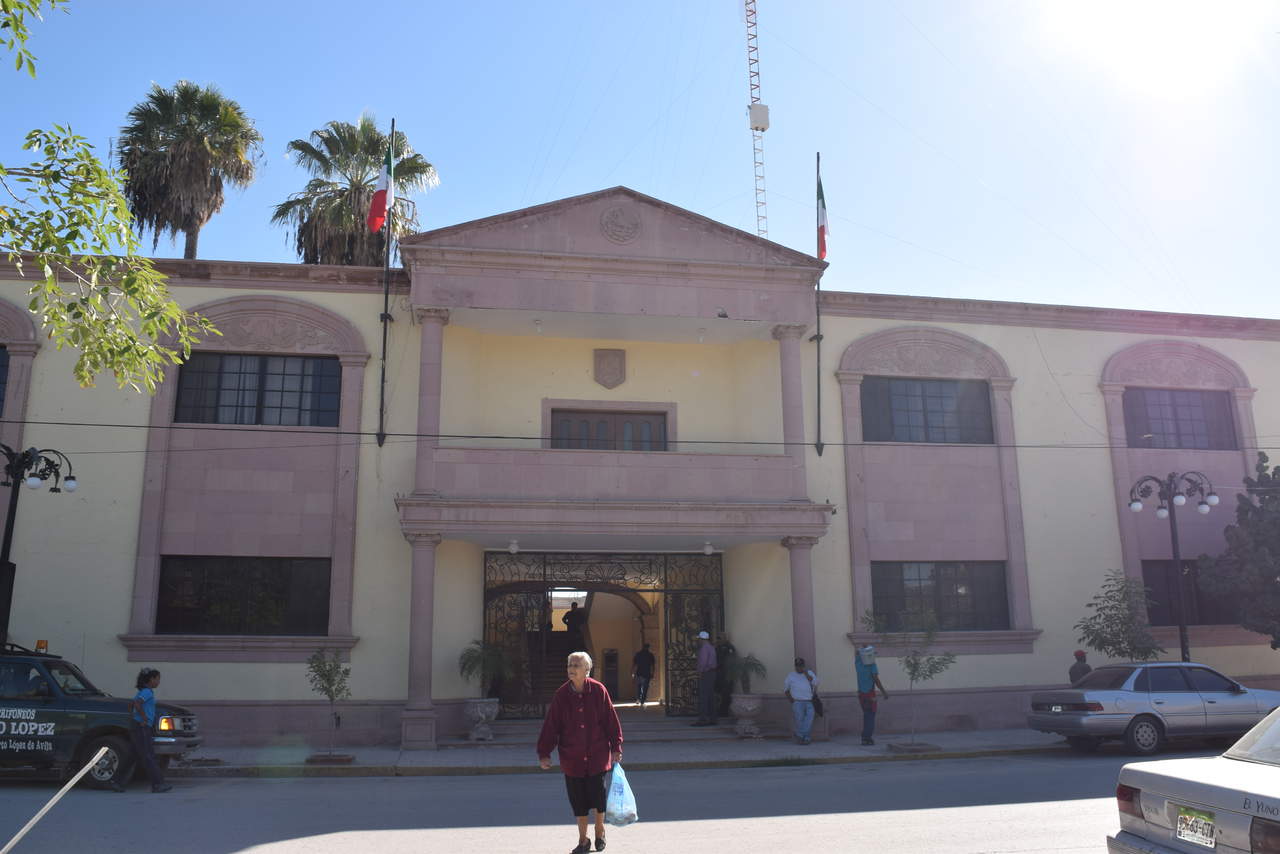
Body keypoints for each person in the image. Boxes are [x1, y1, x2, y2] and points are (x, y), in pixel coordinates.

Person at [537, 651, 624, 854]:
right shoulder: (561, 695)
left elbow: (611, 721)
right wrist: (544, 752)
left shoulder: (599, 690)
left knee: (598, 798)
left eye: (576, 665)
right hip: (572, 757)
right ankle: (583, 840)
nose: (572, 668)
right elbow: (551, 726)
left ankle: (600, 830)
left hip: (597, 755)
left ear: (587, 669)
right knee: (579, 801)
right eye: (570, 665)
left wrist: (616, 747)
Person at [123, 667, 172, 793]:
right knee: (148, 756)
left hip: (137, 725)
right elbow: (137, 704)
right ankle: (157, 784)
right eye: (157, 679)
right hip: (142, 727)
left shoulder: (143, 691)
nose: (159, 682)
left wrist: (134, 717)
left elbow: (131, 705)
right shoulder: (147, 692)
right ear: (151, 679)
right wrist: (144, 718)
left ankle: (116, 782)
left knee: (132, 756)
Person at [854, 644, 890, 746]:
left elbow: (857, 652)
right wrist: (884, 692)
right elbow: (876, 679)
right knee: (871, 715)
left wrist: (862, 650)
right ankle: (867, 738)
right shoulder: (872, 665)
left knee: (866, 715)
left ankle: (864, 737)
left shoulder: (858, 663)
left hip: (861, 694)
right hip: (870, 693)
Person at [782, 657, 820, 745]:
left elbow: (816, 683)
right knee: (799, 721)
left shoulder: (809, 673)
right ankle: (806, 738)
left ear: (804, 666)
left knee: (809, 720)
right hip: (797, 702)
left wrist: (807, 674)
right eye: (797, 666)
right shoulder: (791, 675)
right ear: (795, 666)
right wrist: (792, 701)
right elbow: (786, 690)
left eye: (801, 666)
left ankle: (799, 734)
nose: (799, 668)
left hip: (810, 701)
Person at [692, 630, 718, 726]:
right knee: (711, 697)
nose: (698, 641)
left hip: (706, 673)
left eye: (699, 639)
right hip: (712, 673)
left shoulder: (704, 648)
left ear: (702, 639)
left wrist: (699, 672)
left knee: (703, 697)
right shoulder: (711, 647)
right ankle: (713, 719)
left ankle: (702, 719)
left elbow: (703, 662)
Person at [714, 632, 737, 718]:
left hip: (726, 675)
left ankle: (723, 712)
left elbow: (730, 660)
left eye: (719, 638)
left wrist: (718, 665)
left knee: (726, 694)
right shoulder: (717, 647)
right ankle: (716, 711)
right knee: (717, 693)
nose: (718, 640)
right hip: (718, 674)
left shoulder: (729, 648)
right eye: (717, 638)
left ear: (725, 638)